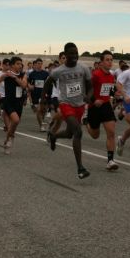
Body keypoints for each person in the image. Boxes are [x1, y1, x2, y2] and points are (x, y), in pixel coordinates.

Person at [42, 43, 93, 179]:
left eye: (76, 53)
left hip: (80, 105)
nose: (74, 56)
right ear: (65, 55)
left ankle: (53, 136)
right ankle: (80, 168)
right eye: (71, 53)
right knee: (78, 131)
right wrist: (43, 101)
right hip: (66, 104)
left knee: (70, 134)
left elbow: (90, 87)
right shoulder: (59, 71)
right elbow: (47, 84)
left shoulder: (83, 68)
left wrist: (88, 96)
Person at [86, 51, 119, 170]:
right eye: (107, 60)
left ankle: (110, 161)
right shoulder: (95, 75)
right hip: (94, 107)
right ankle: (87, 124)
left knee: (111, 132)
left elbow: (108, 90)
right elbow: (87, 89)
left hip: (105, 106)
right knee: (95, 135)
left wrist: (115, 93)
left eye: (111, 60)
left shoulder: (111, 76)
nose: (110, 62)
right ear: (101, 62)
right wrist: (94, 100)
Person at [0, 57, 28, 155]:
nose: (20, 65)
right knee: (15, 120)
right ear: (12, 65)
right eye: (17, 63)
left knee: (13, 126)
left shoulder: (23, 75)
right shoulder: (6, 74)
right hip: (8, 102)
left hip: (19, 103)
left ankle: (7, 140)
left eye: (20, 64)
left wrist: (14, 77)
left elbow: (23, 85)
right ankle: (9, 139)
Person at [27, 58, 50, 131]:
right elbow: (27, 82)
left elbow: (49, 82)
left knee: (44, 110)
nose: (40, 65)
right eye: (38, 64)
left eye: (41, 64)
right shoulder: (32, 74)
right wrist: (29, 86)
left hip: (44, 94)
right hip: (35, 94)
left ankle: (42, 122)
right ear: (35, 64)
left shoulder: (46, 73)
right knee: (38, 110)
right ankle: (41, 126)